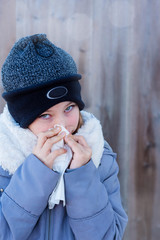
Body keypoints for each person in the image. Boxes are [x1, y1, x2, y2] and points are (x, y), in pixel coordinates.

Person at [0, 34, 128, 240]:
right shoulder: (4, 158)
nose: (61, 124)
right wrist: (36, 174)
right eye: (44, 115)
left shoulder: (99, 157)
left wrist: (82, 175)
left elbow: (108, 236)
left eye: (69, 107)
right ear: (21, 119)